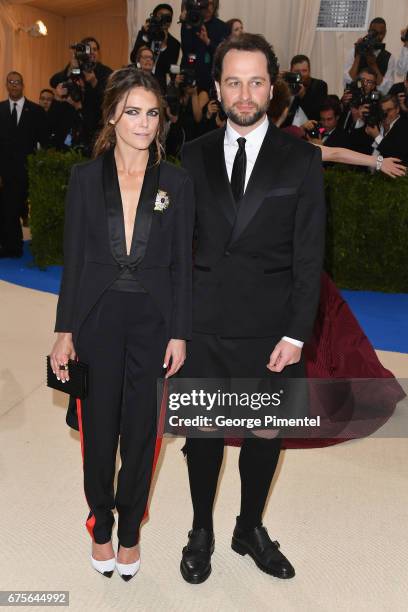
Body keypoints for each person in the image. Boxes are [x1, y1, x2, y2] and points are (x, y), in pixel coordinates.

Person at [179, 33, 326, 583]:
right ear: (217, 88)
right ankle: (201, 529)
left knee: (266, 437)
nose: (245, 93)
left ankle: (249, 527)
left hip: (271, 331)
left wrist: (296, 333)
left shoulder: (301, 159)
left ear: (273, 88)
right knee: (202, 438)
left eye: (256, 81)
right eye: (234, 82)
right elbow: (176, 248)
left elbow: (310, 256)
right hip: (203, 325)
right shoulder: (190, 155)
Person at [49, 66, 194, 580]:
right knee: (98, 432)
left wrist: (180, 331)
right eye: (133, 111)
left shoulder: (176, 182)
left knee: (142, 434)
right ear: (113, 114)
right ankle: (101, 525)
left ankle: (130, 531)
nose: (144, 122)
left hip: (154, 325)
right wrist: (63, 330)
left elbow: (181, 265)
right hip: (97, 320)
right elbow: (75, 260)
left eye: (152, 113)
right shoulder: (85, 179)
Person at [0, 71, 47, 257]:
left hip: (26, 170)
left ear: (23, 85)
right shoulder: (0, 109)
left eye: (17, 82)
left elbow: (42, 142)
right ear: (6, 85)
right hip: (3, 171)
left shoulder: (35, 111)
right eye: (10, 82)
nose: (14, 85)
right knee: (5, 209)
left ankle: (13, 246)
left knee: (12, 208)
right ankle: (9, 245)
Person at [50, 37, 112, 154]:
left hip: (93, 128)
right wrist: (70, 68)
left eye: (95, 49)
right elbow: (53, 81)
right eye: (89, 49)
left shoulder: (105, 71)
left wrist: (94, 82)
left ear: (99, 53)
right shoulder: (76, 68)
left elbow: (107, 99)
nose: (92, 52)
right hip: (70, 125)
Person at [130, 3, 180, 93]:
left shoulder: (174, 44)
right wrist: (144, 34)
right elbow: (133, 57)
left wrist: (164, 46)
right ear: (154, 17)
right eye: (161, 15)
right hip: (139, 81)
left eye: (167, 17)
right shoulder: (146, 33)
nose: (164, 19)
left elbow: (169, 69)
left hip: (158, 86)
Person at [180, 0, 229, 91]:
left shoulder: (222, 27)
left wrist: (208, 41)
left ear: (215, 6)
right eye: (205, 3)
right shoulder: (190, 23)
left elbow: (223, 54)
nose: (208, 7)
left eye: (211, 3)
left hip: (212, 77)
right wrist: (186, 23)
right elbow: (186, 50)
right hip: (191, 74)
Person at [344, 17, 395, 95]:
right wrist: (358, 56)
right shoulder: (354, 52)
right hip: (356, 98)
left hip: (377, 101)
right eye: (374, 33)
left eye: (380, 33)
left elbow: (386, 90)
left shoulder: (389, 58)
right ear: (369, 32)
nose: (377, 37)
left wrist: (373, 65)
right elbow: (348, 81)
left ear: (385, 33)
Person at [366, 94, 408, 165]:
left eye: (389, 110)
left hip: (390, 174)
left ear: (397, 109)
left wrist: (377, 137)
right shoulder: (376, 124)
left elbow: (398, 156)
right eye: (383, 111)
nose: (385, 114)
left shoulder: (404, 126)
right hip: (367, 172)